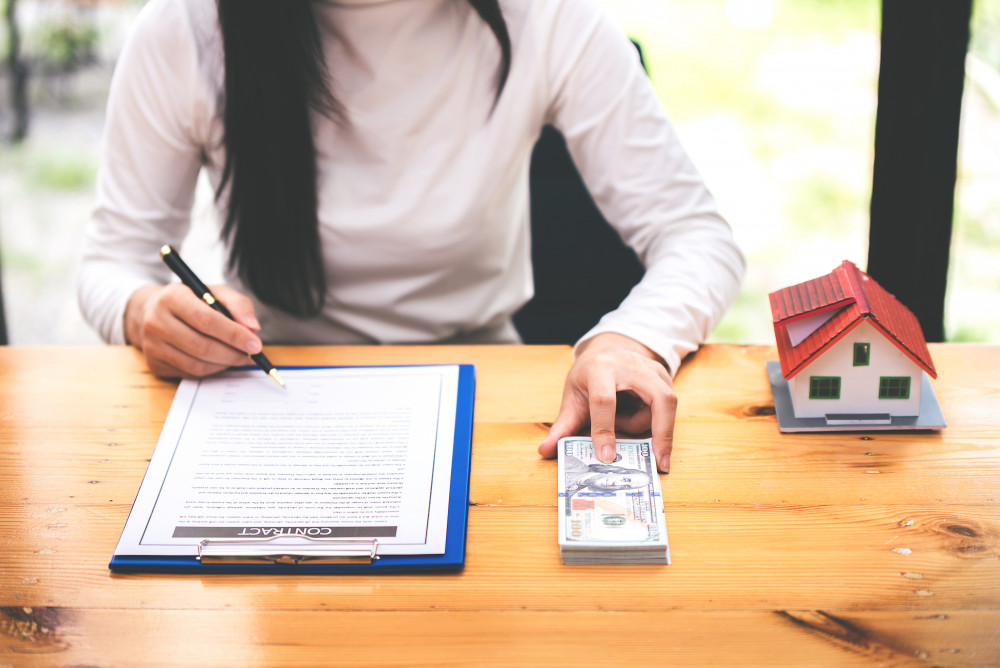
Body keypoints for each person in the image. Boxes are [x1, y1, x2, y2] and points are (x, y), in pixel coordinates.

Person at [78, 0, 744, 474]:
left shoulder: (545, 17)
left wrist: (634, 339)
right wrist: (142, 312)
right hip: (270, 399)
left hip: (488, 406)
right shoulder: (186, 29)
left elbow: (696, 236)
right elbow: (113, 260)